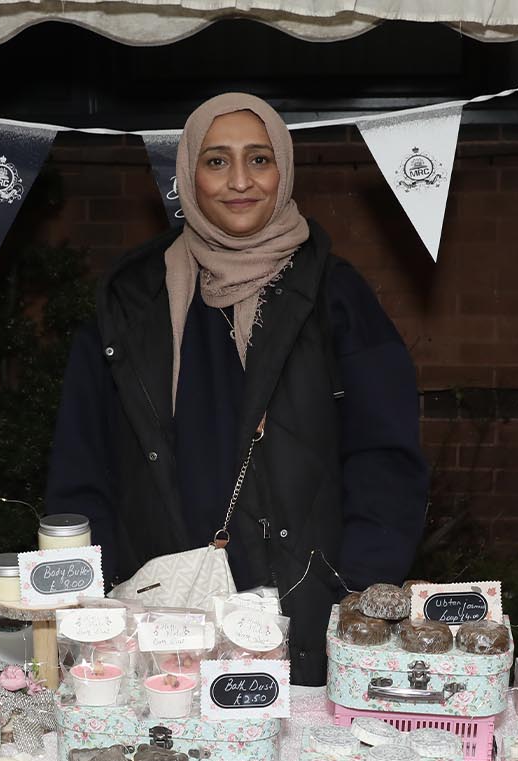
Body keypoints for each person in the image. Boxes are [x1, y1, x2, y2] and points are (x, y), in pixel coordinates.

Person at [46, 92, 428, 685]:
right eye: (217, 161)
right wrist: (92, 597)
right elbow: (82, 462)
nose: (240, 181)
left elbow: (384, 455)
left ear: (284, 171)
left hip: (300, 604)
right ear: (189, 175)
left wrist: (352, 589)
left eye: (259, 159)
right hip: (156, 610)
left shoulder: (335, 297)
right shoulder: (131, 302)